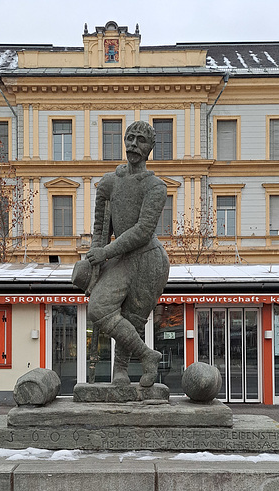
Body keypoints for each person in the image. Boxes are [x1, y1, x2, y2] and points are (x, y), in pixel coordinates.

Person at [80, 121, 170, 387]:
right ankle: (147, 355)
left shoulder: (156, 187)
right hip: (121, 258)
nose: (133, 144)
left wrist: (106, 252)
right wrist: (95, 261)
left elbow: (143, 230)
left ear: (151, 147)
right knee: (99, 308)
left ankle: (120, 371)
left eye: (141, 140)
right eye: (130, 138)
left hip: (149, 260)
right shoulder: (109, 183)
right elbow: (100, 228)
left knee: (133, 318)